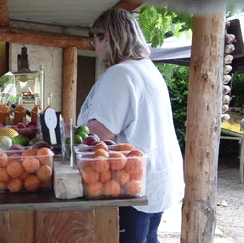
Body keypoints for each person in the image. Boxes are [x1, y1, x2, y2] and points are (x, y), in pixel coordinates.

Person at [77, 9, 185, 243]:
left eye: (94, 39)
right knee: (149, 237)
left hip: (132, 180)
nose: (94, 46)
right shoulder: (148, 68)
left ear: (106, 36)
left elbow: (103, 132)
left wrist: (80, 129)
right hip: (160, 176)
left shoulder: (120, 73)